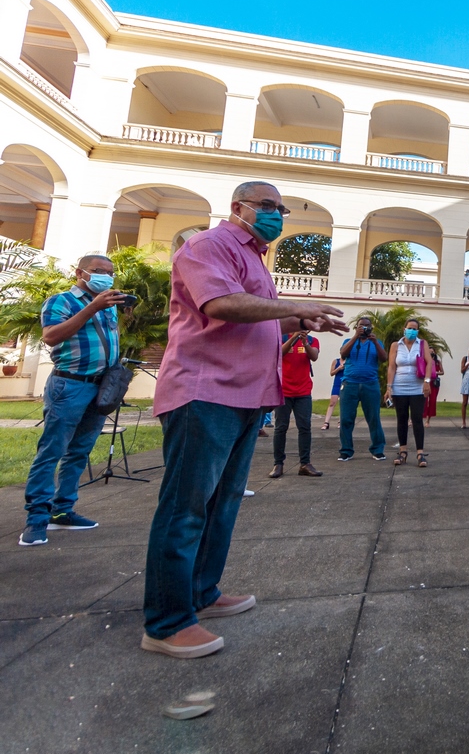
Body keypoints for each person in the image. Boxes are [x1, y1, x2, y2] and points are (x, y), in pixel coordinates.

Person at [142, 181, 345, 659]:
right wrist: (295, 305)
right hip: (205, 392)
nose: (277, 215)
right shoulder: (210, 245)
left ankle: (202, 594)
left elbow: (258, 319)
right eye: (269, 207)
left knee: (222, 503)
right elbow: (220, 306)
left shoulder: (254, 257)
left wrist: (300, 322)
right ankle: (166, 622)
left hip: (245, 397)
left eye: (282, 210)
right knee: (186, 507)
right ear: (239, 208)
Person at [19, 254, 124, 547]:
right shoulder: (61, 301)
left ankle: (62, 509)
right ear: (80, 273)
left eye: (110, 272)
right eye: (98, 271)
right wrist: (91, 308)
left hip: (101, 388)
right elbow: (51, 337)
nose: (105, 276)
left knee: (79, 451)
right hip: (70, 385)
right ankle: (37, 519)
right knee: (52, 450)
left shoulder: (108, 305)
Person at [270, 329, 322, 478]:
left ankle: (305, 464)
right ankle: (278, 464)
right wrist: (294, 337)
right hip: (284, 391)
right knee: (280, 428)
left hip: (303, 392)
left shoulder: (312, 340)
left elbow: (314, 356)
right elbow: (279, 354)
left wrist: (305, 342)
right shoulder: (282, 338)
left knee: (305, 427)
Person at [385, 318, 435, 467]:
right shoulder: (396, 345)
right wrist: (389, 387)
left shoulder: (422, 344)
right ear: (404, 329)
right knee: (401, 419)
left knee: (417, 419)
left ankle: (420, 453)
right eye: (410, 328)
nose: (412, 331)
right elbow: (392, 367)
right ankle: (403, 452)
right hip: (399, 387)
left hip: (417, 388)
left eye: (415, 329)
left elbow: (429, 362)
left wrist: (427, 382)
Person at [339, 316, 388, 462]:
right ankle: (346, 451)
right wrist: (355, 336)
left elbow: (384, 358)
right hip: (350, 384)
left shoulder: (376, 342)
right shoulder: (348, 341)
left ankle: (378, 449)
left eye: (367, 326)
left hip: (370, 384)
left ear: (371, 328)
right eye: (361, 326)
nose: (364, 328)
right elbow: (343, 353)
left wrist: (374, 342)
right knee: (346, 418)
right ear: (356, 327)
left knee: (373, 418)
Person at [321, 357, 343, 430]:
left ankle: (340, 421)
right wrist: (339, 368)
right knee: (332, 402)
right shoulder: (336, 361)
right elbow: (331, 373)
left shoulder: (349, 361)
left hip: (345, 382)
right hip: (337, 383)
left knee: (343, 403)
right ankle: (326, 422)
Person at [424, 350, 443, 426]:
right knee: (424, 401)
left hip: (434, 383)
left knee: (432, 401)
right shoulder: (424, 361)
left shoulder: (438, 362)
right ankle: (420, 417)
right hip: (426, 382)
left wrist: (435, 372)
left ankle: (428, 420)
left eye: (433, 352)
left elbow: (442, 372)